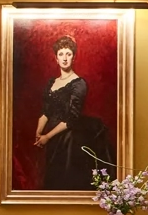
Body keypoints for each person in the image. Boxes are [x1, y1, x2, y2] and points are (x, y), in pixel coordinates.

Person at [34, 35, 112, 189]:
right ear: (56, 58)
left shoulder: (79, 84)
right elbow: (45, 112)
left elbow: (71, 118)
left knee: (66, 179)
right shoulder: (51, 83)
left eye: (68, 54)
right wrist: (39, 132)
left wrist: (47, 137)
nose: (64, 58)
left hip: (69, 139)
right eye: (61, 54)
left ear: (74, 57)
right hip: (51, 137)